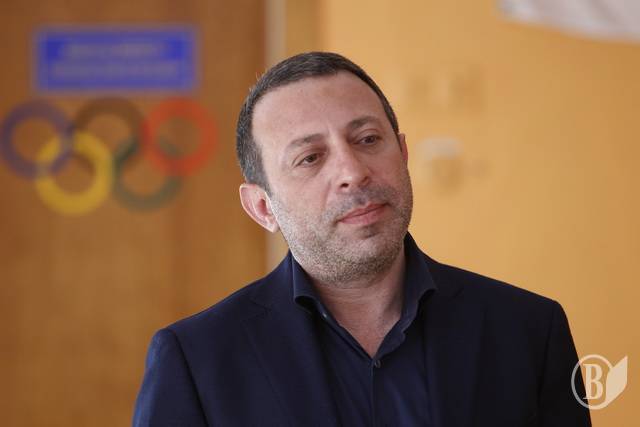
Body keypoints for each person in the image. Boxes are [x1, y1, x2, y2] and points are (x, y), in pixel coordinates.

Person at [133, 52, 591, 426]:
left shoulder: (529, 330)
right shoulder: (196, 360)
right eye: (310, 158)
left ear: (403, 154)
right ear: (262, 207)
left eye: (368, 139)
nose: (352, 172)